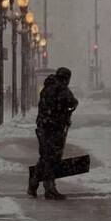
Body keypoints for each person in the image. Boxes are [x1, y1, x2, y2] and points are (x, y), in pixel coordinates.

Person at [28, 67, 79, 200]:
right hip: (54, 127)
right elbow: (72, 101)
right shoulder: (60, 88)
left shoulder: (47, 87)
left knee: (45, 155)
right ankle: (49, 187)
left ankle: (33, 183)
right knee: (53, 157)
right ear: (66, 78)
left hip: (43, 125)